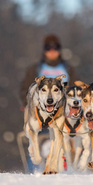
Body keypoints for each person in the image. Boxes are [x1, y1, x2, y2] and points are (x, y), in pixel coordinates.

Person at [19, 34, 78, 173]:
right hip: (38, 107)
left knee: (69, 135)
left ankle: (68, 167)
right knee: (33, 132)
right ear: (44, 50)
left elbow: (76, 88)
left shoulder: (68, 69)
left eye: (55, 47)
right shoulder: (36, 69)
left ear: (59, 49)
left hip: (61, 107)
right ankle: (33, 168)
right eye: (48, 47)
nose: (52, 51)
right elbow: (25, 89)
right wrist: (26, 103)